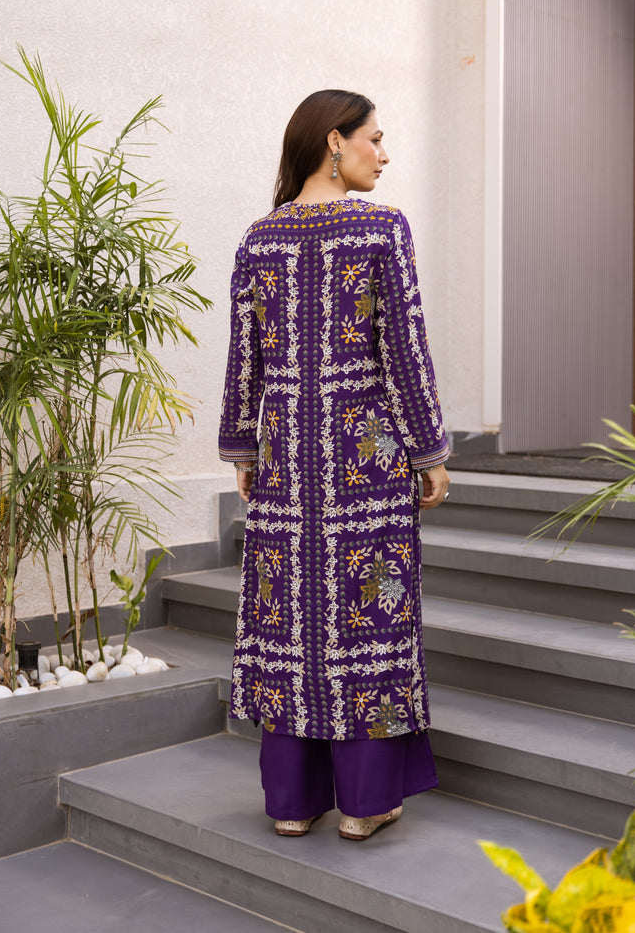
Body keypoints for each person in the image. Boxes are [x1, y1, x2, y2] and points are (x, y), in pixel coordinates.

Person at [218, 90, 450, 841]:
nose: (383, 154)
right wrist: (429, 449)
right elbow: (405, 350)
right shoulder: (382, 228)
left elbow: (244, 358)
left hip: (286, 461)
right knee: (368, 618)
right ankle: (364, 801)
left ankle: (291, 803)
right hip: (365, 460)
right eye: (374, 139)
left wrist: (244, 446)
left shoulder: (259, 238)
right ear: (333, 142)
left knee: (289, 620)